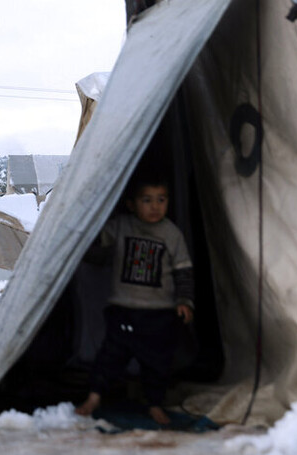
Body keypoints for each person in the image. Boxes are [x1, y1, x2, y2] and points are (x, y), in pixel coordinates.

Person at [75, 175, 194, 425]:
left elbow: (183, 270)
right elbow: (94, 246)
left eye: (161, 200)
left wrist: (184, 300)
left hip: (159, 314)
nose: (155, 206)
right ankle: (94, 397)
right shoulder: (121, 226)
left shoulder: (171, 233)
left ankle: (154, 404)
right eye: (147, 200)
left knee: (157, 363)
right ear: (131, 204)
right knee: (109, 358)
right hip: (123, 310)